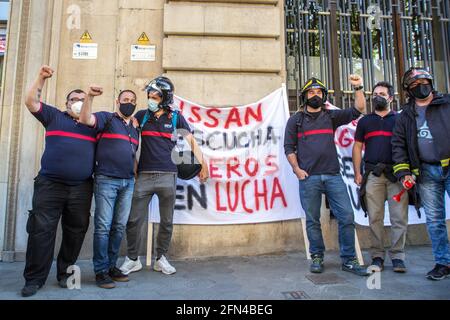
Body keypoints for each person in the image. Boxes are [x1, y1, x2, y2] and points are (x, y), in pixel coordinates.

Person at [119, 76, 209, 275]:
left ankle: (161, 258)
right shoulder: (141, 116)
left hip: (168, 175)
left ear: (165, 98)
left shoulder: (176, 117)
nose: (150, 99)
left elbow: (192, 141)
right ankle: (132, 259)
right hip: (143, 176)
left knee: (166, 221)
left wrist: (204, 163)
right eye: (149, 95)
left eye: (155, 96)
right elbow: (128, 138)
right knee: (134, 220)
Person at [21, 66, 97, 297]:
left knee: (75, 231)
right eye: (74, 99)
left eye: (82, 100)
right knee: (41, 231)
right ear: (66, 103)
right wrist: (41, 78)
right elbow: (31, 101)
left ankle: (66, 274)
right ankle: (34, 279)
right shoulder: (53, 116)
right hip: (50, 185)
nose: (78, 102)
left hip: (81, 187)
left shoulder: (94, 124)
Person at [284, 75, 368, 276]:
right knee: (312, 220)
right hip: (309, 178)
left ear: (323, 96)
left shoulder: (331, 116)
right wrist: (296, 169)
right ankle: (317, 256)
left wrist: (358, 87)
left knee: (346, 216)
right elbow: (288, 148)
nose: (315, 95)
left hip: (333, 176)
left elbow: (359, 109)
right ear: (305, 96)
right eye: (311, 92)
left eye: (319, 92)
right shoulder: (295, 121)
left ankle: (348, 260)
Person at [392, 67, 450, 280]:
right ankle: (443, 263)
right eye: (415, 85)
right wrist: (404, 172)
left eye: (424, 82)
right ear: (408, 90)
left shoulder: (446, 104)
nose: (421, 87)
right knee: (435, 220)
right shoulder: (405, 115)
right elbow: (398, 145)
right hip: (425, 173)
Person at [79, 86, 139, 289]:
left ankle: (112, 267)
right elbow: (85, 119)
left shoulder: (134, 128)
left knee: (119, 226)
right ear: (117, 102)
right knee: (103, 227)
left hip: (128, 182)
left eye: (132, 100)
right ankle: (101, 271)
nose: (128, 102)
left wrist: (134, 176)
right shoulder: (107, 118)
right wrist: (89, 97)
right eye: (125, 99)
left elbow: (132, 155)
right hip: (106, 180)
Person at [353, 81, 408, 273]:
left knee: (398, 217)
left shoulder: (400, 120)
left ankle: (398, 257)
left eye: (382, 94)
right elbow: (358, 147)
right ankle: (377, 256)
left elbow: (409, 146)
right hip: (373, 176)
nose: (378, 96)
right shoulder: (365, 121)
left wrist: (409, 173)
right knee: (375, 217)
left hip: (397, 176)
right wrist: (357, 172)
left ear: (391, 98)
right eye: (375, 93)